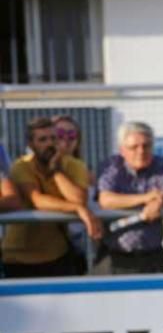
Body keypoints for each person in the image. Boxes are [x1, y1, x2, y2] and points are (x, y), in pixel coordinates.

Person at [2, 117, 102, 278]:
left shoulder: (74, 165)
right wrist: (77, 209)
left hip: (58, 255)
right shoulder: (21, 166)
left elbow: (79, 199)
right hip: (18, 257)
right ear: (30, 144)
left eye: (53, 138)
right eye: (42, 139)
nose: (50, 143)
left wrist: (56, 171)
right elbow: (37, 199)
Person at [98, 121, 163, 275]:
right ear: (122, 150)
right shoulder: (112, 166)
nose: (141, 151)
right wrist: (145, 199)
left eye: (146, 146)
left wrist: (160, 201)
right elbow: (106, 200)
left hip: (153, 257)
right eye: (134, 147)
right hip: (118, 257)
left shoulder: (159, 164)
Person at [52, 114, 92, 273]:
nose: (66, 139)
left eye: (72, 135)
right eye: (60, 134)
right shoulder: (31, 166)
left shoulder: (85, 171)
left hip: (73, 247)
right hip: (39, 247)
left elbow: (80, 199)